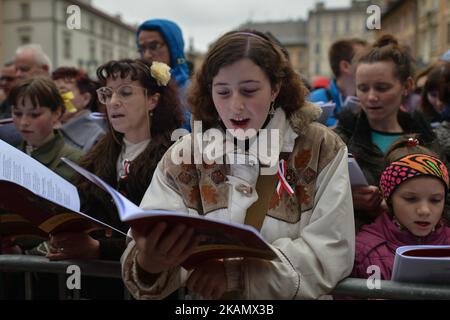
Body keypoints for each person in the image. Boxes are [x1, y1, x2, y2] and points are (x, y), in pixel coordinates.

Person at [121, 30, 355, 300]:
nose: (235, 106)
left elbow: (331, 251)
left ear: (275, 88)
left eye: (249, 90)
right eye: (223, 92)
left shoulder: (320, 148)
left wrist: (239, 276)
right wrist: (150, 264)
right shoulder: (185, 155)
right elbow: (143, 250)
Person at [46, 59, 184, 299]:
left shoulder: (175, 154)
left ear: (153, 99)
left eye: (126, 93)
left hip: (149, 289)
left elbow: (170, 235)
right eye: (107, 93)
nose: (113, 102)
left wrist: (100, 249)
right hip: (96, 287)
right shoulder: (100, 150)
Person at [335, 34, 443, 229]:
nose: (371, 97)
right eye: (363, 88)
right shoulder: (340, 140)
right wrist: (346, 199)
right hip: (362, 249)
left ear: (407, 86)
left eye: (382, 88)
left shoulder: (429, 141)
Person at [352, 136, 450, 281]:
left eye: (435, 200)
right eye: (411, 199)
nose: (424, 210)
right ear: (389, 198)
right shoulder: (363, 250)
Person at [8, 76, 82, 182]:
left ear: (56, 113)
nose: (23, 122)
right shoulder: (9, 156)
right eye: (17, 113)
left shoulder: (74, 162)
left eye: (34, 114)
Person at [309, 38, 368, 127]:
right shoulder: (314, 100)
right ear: (345, 66)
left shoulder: (370, 98)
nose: (371, 63)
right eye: (364, 59)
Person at [136, 19, 190, 113]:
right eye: (142, 49)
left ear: (174, 47)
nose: (146, 55)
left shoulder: (194, 93)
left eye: (154, 46)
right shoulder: (136, 87)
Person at [52, 67, 105, 153]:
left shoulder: (97, 136)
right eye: (52, 92)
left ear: (85, 98)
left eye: (63, 92)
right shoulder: (46, 129)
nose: (55, 99)